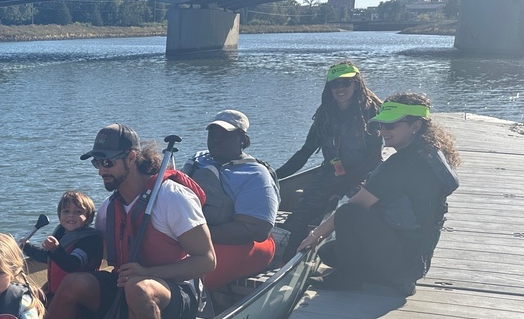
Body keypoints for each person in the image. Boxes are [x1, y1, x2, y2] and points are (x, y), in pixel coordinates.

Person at [42, 124, 216, 319]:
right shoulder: (107, 209)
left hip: (176, 296)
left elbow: (207, 261)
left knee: (138, 288)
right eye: (97, 163)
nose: (101, 171)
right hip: (125, 290)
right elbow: (99, 257)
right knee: (74, 283)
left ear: (131, 158)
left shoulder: (172, 197)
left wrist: (148, 273)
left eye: (107, 163)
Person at [299, 93, 460, 295]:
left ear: (415, 126)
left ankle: (349, 278)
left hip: (404, 263)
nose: (383, 131)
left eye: (391, 126)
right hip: (418, 259)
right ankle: (386, 277)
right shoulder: (431, 152)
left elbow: (356, 204)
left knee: (348, 213)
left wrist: (315, 235)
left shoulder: (400, 164)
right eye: (380, 125)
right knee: (328, 252)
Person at [277, 62, 383, 256]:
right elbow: (304, 152)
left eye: (346, 83)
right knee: (303, 209)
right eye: (334, 84)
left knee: (346, 207)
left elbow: (373, 156)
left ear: (356, 84)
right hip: (333, 171)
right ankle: (289, 256)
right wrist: (276, 175)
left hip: (365, 172)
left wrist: (343, 186)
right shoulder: (325, 114)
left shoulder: (372, 111)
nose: (340, 88)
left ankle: (341, 250)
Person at [183, 110, 280, 288]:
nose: (215, 140)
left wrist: (191, 235)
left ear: (243, 140)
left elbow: (257, 230)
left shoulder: (255, 174)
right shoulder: (198, 160)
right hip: (192, 236)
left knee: (186, 276)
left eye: (224, 135)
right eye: (212, 135)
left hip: (242, 243)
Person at [21, 190, 103, 300]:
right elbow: (47, 257)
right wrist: (26, 247)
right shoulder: (61, 233)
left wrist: (55, 249)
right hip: (57, 292)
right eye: (66, 211)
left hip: (79, 297)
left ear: (88, 217)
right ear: (59, 215)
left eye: (78, 212)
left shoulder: (90, 240)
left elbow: (72, 264)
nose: (71, 215)